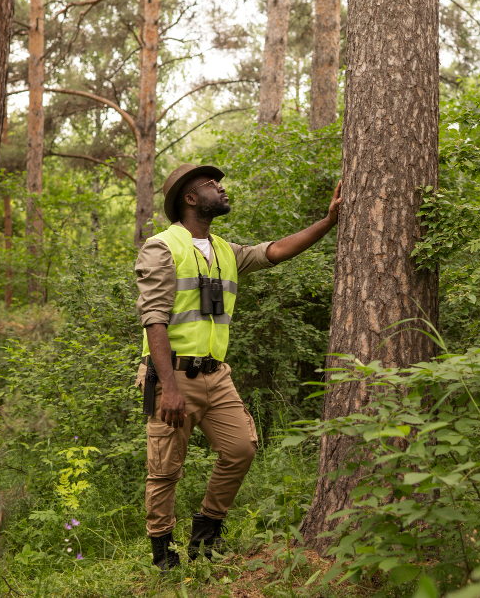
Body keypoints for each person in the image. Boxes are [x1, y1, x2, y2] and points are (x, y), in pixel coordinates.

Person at [134, 163, 341, 570]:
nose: (221, 189)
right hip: (172, 376)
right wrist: (170, 388)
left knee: (241, 448)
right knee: (165, 469)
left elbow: (277, 250)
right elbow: (154, 319)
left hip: (216, 375)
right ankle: (162, 554)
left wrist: (329, 221)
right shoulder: (162, 247)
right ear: (190, 199)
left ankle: (206, 531)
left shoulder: (227, 251)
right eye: (212, 185)